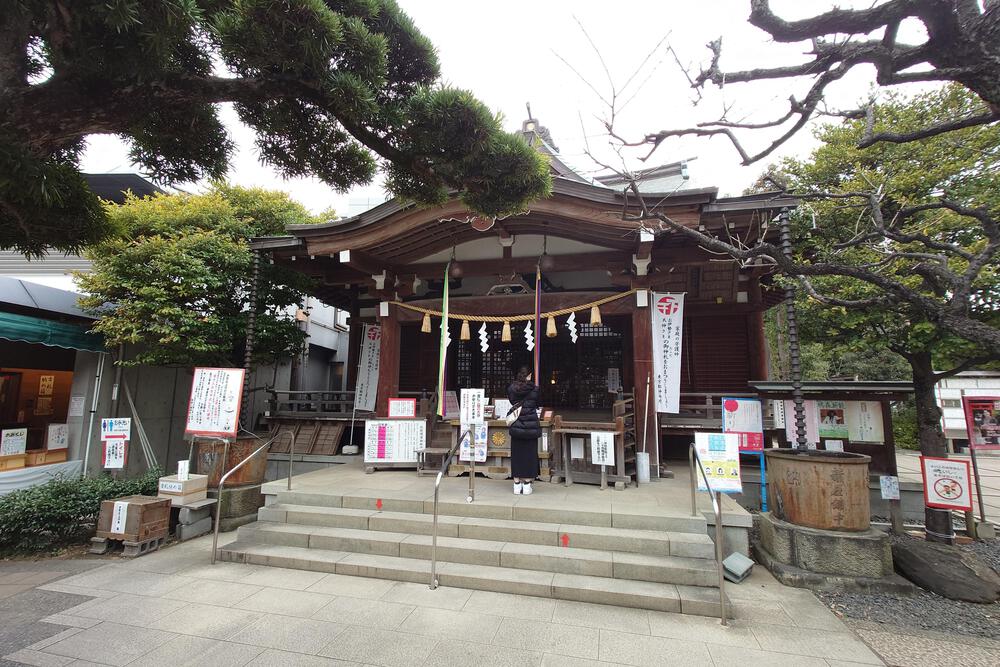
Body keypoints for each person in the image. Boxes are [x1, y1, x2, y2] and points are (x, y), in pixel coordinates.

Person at [507, 366, 541, 495]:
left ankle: (516, 483)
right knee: (529, 455)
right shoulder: (535, 389)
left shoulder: (511, 388)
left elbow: (512, 402)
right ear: (529, 376)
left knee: (517, 455)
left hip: (517, 425)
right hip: (531, 426)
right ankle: (527, 484)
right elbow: (537, 403)